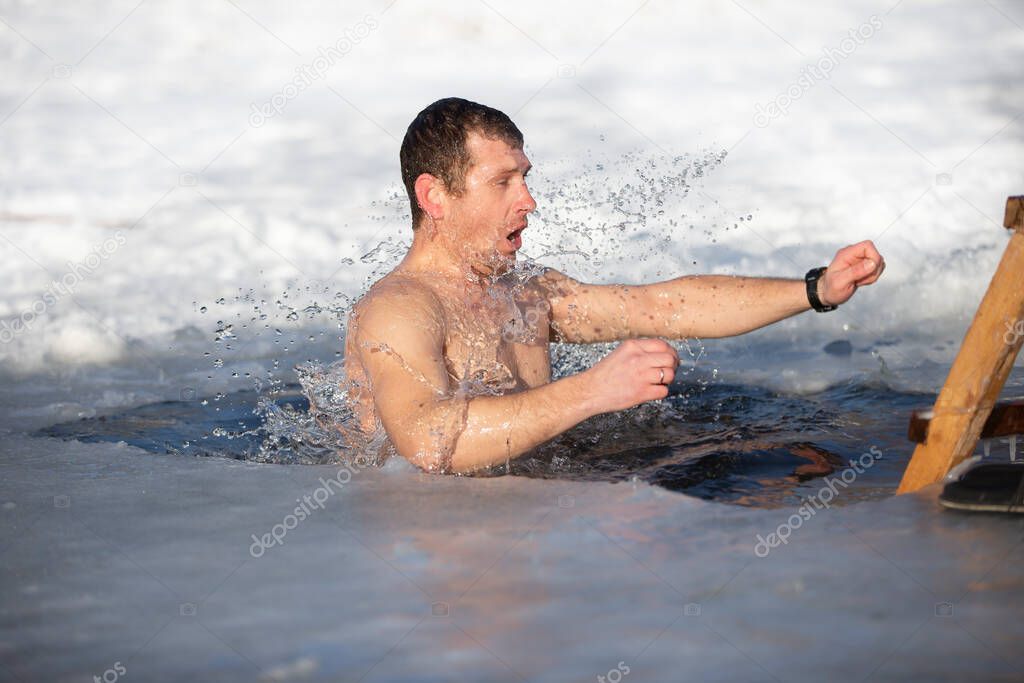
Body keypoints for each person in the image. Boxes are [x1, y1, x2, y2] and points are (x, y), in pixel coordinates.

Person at [342, 97, 885, 474]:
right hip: (438, 533)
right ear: (434, 196)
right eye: (503, 182)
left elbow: (660, 306)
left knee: (796, 463)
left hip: (533, 495)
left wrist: (815, 289)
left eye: (525, 178)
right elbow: (429, 443)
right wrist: (593, 391)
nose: (528, 200)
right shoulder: (400, 308)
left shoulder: (524, 293)